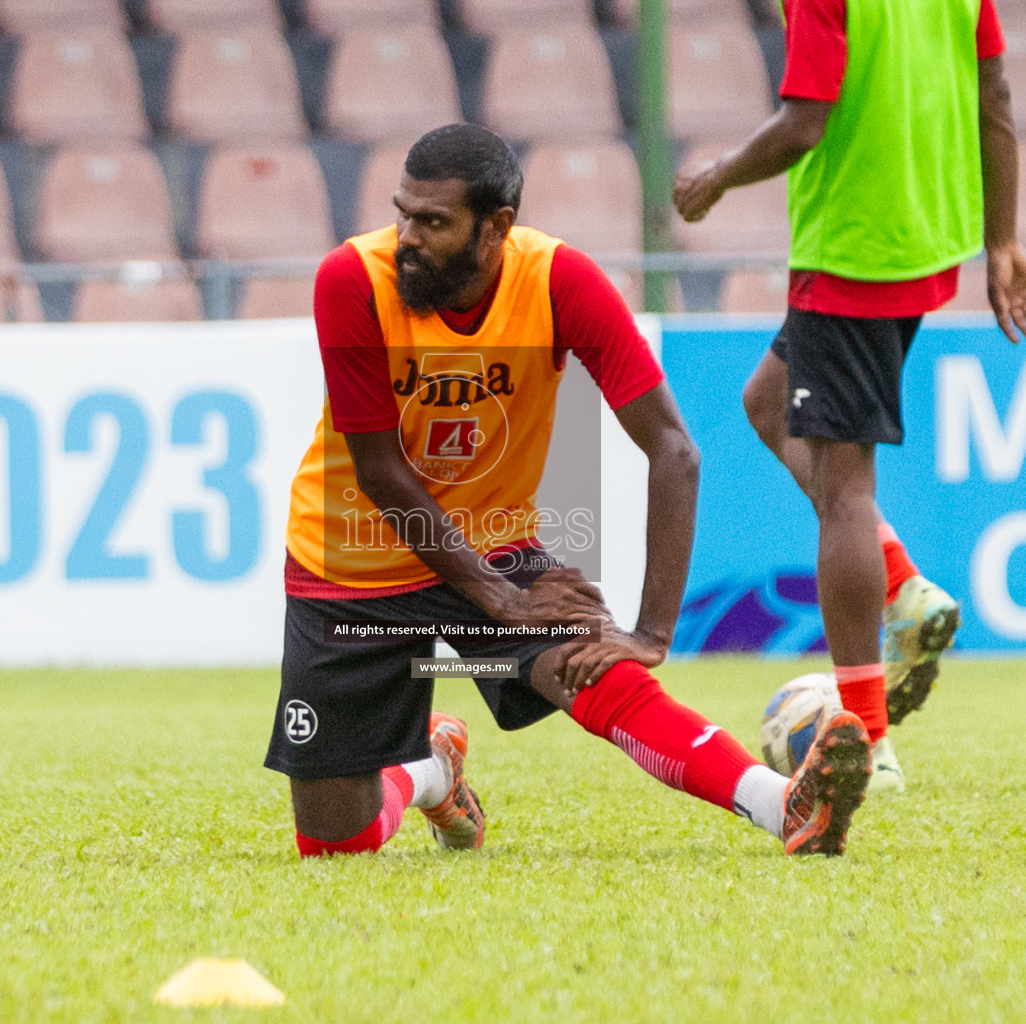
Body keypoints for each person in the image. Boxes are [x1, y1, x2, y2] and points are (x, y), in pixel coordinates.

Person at [267, 123, 873, 866]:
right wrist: (502, 597)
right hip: (349, 560)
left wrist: (649, 633)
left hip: (490, 541)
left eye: (433, 222)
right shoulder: (351, 280)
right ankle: (431, 772)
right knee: (336, 845)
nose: (407, 238)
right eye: (403, 213)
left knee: (594, 668)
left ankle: (784, 805)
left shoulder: (559, 281)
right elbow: (382, 471)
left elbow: (675, 451)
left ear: (497, 228)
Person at [673, 0, 1026, 792]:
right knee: (768, 403)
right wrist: (1004, 238)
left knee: (845, 489)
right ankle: (904, 588)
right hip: (924, 241)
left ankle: (867, 743)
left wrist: (715, 178)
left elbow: (806, 121)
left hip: (851, 253)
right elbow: (997, 96)